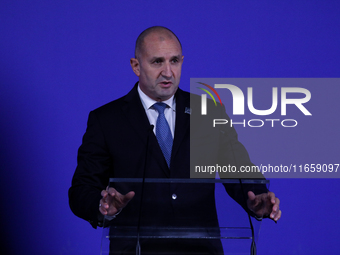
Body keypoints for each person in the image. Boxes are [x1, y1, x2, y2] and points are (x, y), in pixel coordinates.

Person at [69, 26, 281, 254]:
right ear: (136, 66)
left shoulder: (209, 112)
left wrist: (257, 195)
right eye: (157, 62)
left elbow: (238, 169)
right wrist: (102, 207)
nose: (168, 72)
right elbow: (82, 189)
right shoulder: (106, 120)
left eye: (175, 61)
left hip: (201, 250)